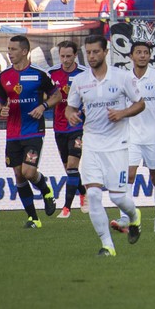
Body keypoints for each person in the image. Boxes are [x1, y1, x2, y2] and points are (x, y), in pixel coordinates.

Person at [66, 36, 146, 256]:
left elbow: (140, 104)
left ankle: (134, 217)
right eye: (88, 52)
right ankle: (107, 245)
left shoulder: (121, 78)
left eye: (95, 52)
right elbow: (70, 107)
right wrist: (71, 115)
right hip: (91, 143)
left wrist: (122, 113)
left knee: (118, 197)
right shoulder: (80, 80)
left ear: (105, 52)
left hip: (117, 144)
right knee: (92, 195)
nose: (91, 56)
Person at [0, 35, 58, 229]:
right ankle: (34, 218)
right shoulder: (4, 76)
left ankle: (46, 190)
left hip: (33, 131)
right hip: (12, 133)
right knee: (19, 175)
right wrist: (0, 109)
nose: (9, 52)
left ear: (24, 51)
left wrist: (44, 106)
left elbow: (58, 95)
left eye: (13, 49)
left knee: (28, 171)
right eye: (8, 49)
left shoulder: (39, 74)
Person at [112, 40, 155, 233]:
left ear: (149, 56)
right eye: (138, 52)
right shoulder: (123, 79)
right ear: (131, 56)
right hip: (130, 137)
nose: (142, 55)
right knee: (128, 175)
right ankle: (125, 218)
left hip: (153, 136)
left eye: (145, 52)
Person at [48, 40, 86, 218]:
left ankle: (66, 208)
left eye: (68, 56)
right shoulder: (52, 73)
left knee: (72, 165)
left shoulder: (84, 74)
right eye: (62, 56)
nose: (65, 59)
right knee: (69, 169)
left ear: (75, 55)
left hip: (77, 126)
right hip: (59, 127)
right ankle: (84, 192)